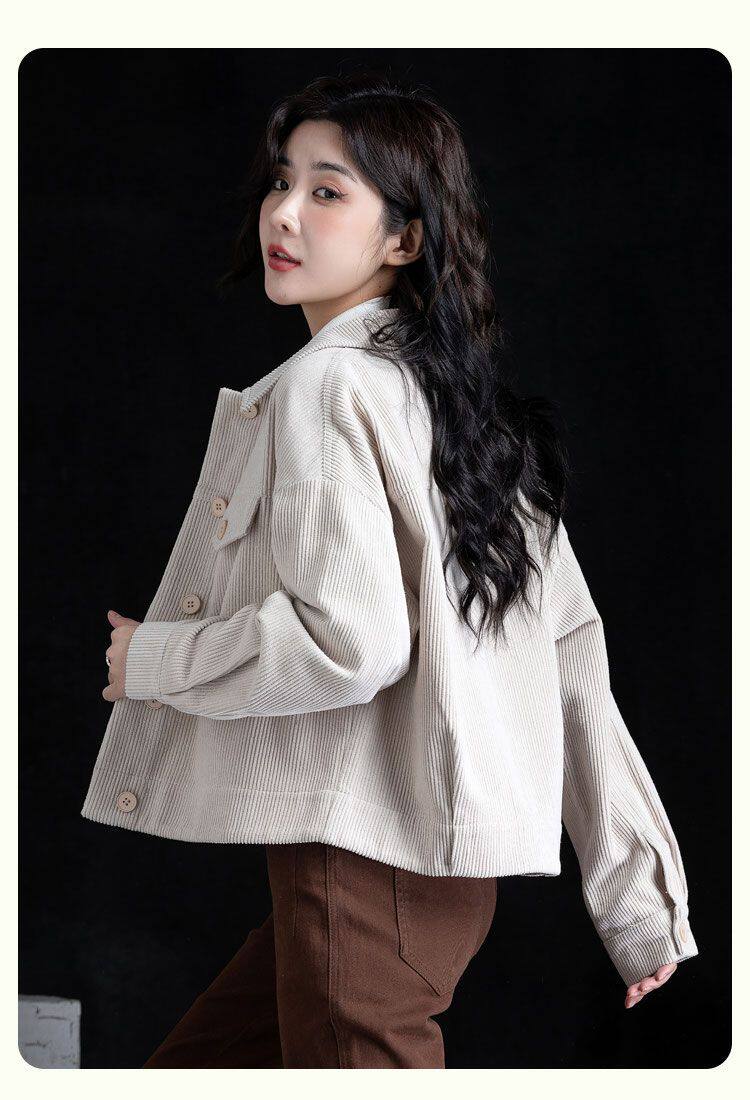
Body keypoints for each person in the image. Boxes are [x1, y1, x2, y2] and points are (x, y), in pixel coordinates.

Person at [83, 70, 699, 1069]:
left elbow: (349, 643)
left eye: (328, 191)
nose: (284, 213)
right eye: (282, 181)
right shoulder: (467, 409)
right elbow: (571, 661)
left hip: (363, 866)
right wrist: (640, 901)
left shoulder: (326, 386)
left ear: (406, 238)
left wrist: (155, 660)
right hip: (435, 877)